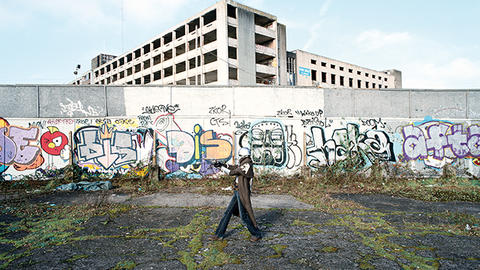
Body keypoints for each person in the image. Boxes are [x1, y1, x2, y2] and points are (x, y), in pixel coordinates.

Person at [209, 147, 262, 242]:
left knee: (244, 216)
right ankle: (219, 234)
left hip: (242, 192)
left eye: (240, 155)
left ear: (244, 155)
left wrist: (221, 167)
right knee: (227, 213)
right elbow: (233, 167)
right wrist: (221, 164)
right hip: (237, 191)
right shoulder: (244, 162)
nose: (239, 157)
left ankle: (256, 233)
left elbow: (232, 172)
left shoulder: (247, 164)